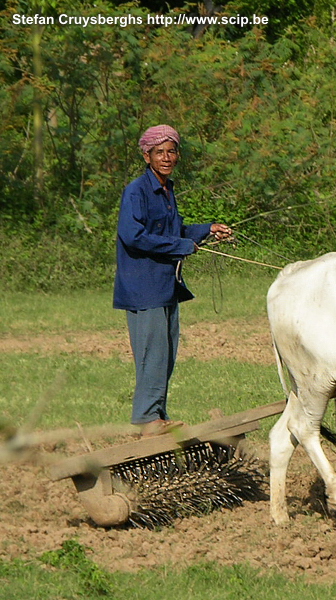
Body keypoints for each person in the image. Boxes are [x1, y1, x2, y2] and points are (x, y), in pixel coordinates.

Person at [113, 124, 232, 437]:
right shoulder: (136, 191)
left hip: (165, 286)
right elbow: (133, 235)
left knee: (166, 352)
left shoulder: (167, 191)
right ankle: (145, 418)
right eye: (159, 152)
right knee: (153, 352)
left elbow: (175, 231)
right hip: (143, 287)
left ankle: (157, 415)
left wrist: (208, 229)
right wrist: (181, 246)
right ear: (147, 155)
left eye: (171, 151)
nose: (166, 157)